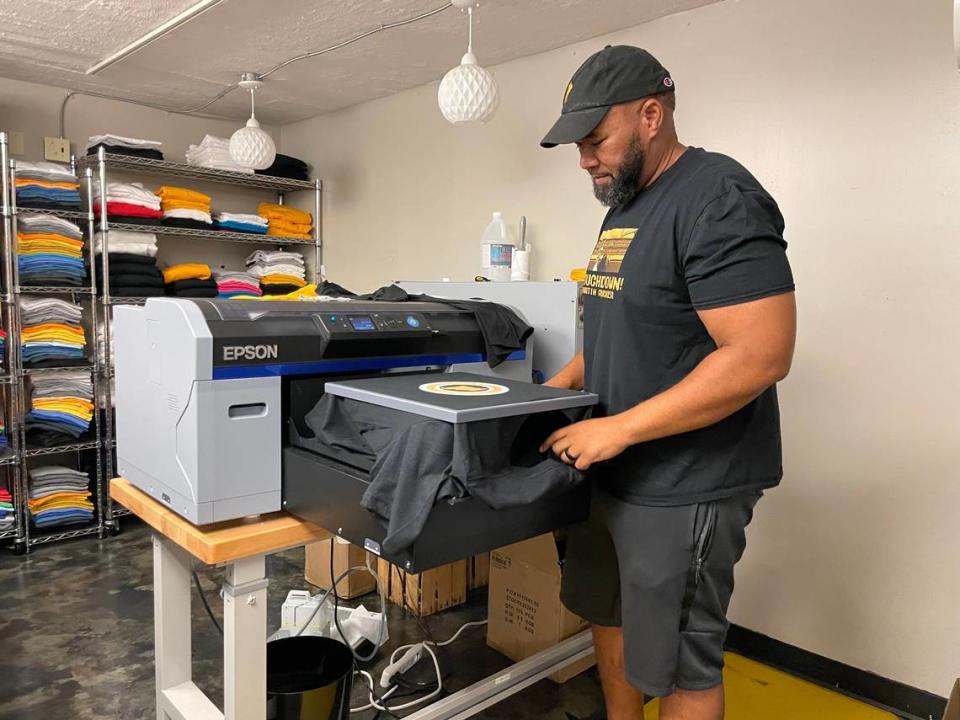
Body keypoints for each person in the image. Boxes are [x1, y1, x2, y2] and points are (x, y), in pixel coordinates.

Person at [538, 46, 797, 720]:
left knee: (681, 661)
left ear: (650, 115)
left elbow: (760, 355)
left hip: (686, 481)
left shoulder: (718, 196)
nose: (585, 159)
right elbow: (618, 331)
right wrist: (553, 392)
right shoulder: (624, 204)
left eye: (596, 139)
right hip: (614, 469)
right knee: (609, 614)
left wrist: (618, 429)